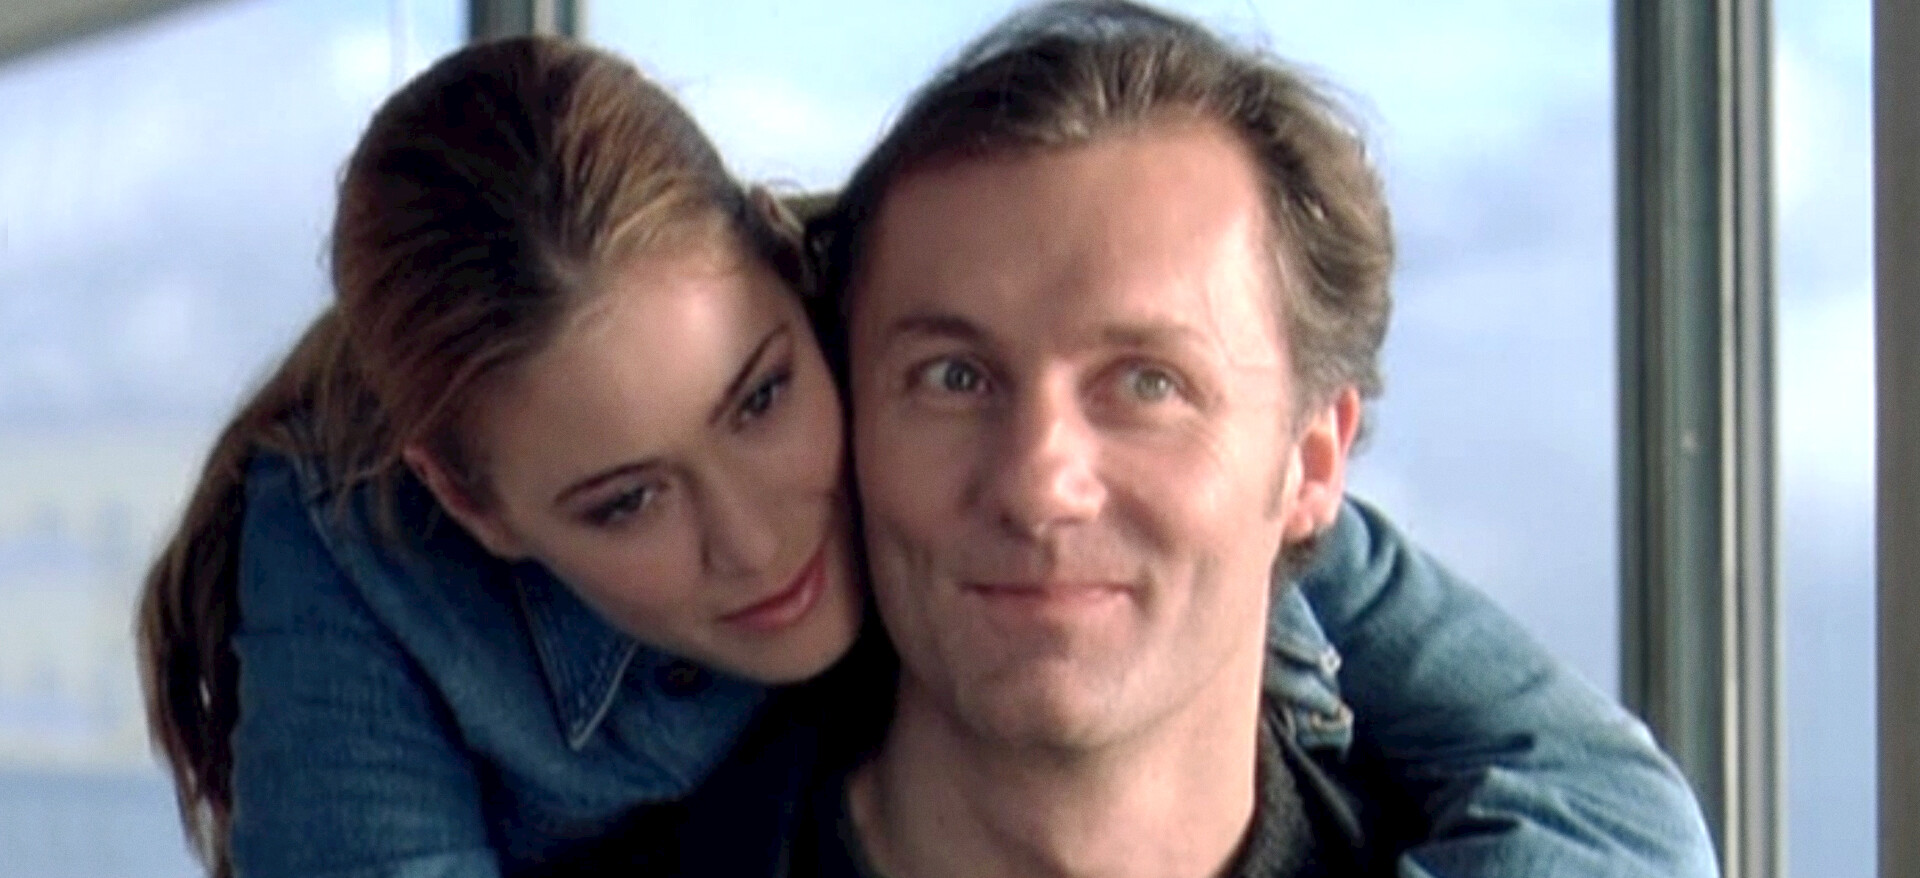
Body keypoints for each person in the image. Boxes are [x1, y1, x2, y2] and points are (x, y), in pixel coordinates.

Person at [135, 27, 1712, 878]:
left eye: (1147, 383)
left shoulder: (1494, 793)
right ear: (474, 505)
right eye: (953, 375)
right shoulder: (364, 574)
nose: (1041, 478)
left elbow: (1613, 798)